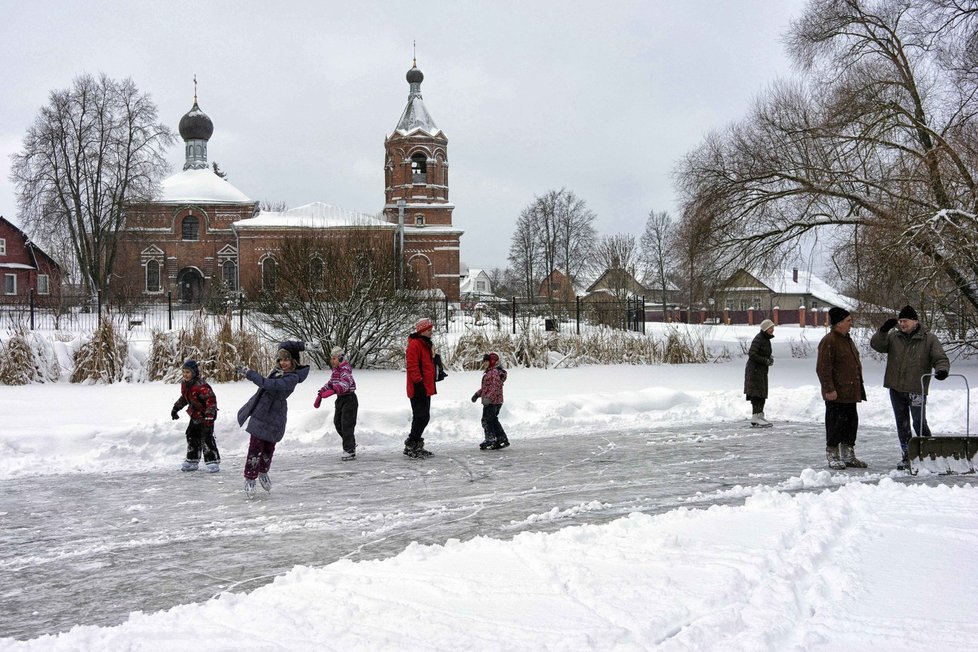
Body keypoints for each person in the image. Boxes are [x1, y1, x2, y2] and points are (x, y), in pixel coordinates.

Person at [869, 305, 950, 470]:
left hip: (916, 388)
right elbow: (877, 345)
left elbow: (940, 357)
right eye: (900, 321)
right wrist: (883, 331)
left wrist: (942, 370)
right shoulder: (893, 337)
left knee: (919, 422)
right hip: (896, 388)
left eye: (905, 321)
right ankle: (907, 455)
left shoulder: (929, 339)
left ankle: (929, 452)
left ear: (915, 321)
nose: (902, 324)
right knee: (902, 423)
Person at [236, 341, 313, 497]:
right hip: (261, 412)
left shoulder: (293, 378)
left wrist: (249, 373)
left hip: (275, 415)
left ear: (293, 361)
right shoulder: (278, 370)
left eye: (286, 360)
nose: (283, 363)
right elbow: (284, 344)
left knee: (268, 448)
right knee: (255, 447)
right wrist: (304, 345)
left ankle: (263, 472)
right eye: (280, 360)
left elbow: (269, 384)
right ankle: (250, 477)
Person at [816, 307, 867, 470]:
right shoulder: (829, 340)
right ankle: (833, 453)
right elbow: (823, 368)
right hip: (836, 393)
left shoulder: (847, 339)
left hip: (851, 392)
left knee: (851, 424)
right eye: (848, 320)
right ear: (838, 323)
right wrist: (829, 388)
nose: (851, 323)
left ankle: (848, 454)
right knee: (835, 424)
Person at [171, 359, 220, 473]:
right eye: (183, 372)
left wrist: (209, 415)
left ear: (194, 372)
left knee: (206, 437)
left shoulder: (201, 386)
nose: (185, 375)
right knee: (191, 435)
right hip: (195, 414)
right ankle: (192, 460)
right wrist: (175, 409)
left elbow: (211, 400)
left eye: (187, 372)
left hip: (207, 415)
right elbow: (185, 398)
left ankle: (212, 461)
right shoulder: (185, 384)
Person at [314, 346, 359, 461]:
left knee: (346, 424)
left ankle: (349, 450)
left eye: (334, 358)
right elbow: (331, 383)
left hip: (349, 400)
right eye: (331, 358)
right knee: (337, 423)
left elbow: (346, 384)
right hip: (340, 400)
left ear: (340, 358)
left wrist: (334, 390)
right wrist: (322, 392)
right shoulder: (335, 371)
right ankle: (351, 443)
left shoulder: (345, 370)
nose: (332, 360)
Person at [404, 318, 437, 458]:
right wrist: (419, 382)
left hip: (426, 386)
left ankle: (416, 443)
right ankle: (411, 444)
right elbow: (412, 365)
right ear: (422, 331)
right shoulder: (415, 345)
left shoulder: (426, 344)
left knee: (424, 417)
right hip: (418, 387)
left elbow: (427, 365)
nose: (431, 333)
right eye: (429, 330)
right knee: (420, 416)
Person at [471, 351, 511, 450]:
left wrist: (488, 398)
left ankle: (490, 439)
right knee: (493, 420)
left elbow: (495, 387)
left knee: (486, 421)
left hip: (492, 402)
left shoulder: (493, 373)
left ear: (492, 362)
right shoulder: (491, 372)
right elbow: (487, 388)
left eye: (486, 361)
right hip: (495, 401)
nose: (484, 364)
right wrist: (477, 394)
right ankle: (501, 439)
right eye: (484, 362)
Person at [744, 319, 775, 427]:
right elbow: (752, 353)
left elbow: (764, 353)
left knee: (762, 393)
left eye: (773, 328)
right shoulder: (759, 338)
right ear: (765, 329)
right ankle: (755, 416)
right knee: (756, 394)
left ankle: (760, 415)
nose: (772, 330)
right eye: (770, 328)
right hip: (754, 370)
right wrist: (764, 360)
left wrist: (769, 358)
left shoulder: (766, 339)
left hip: (761, 370)